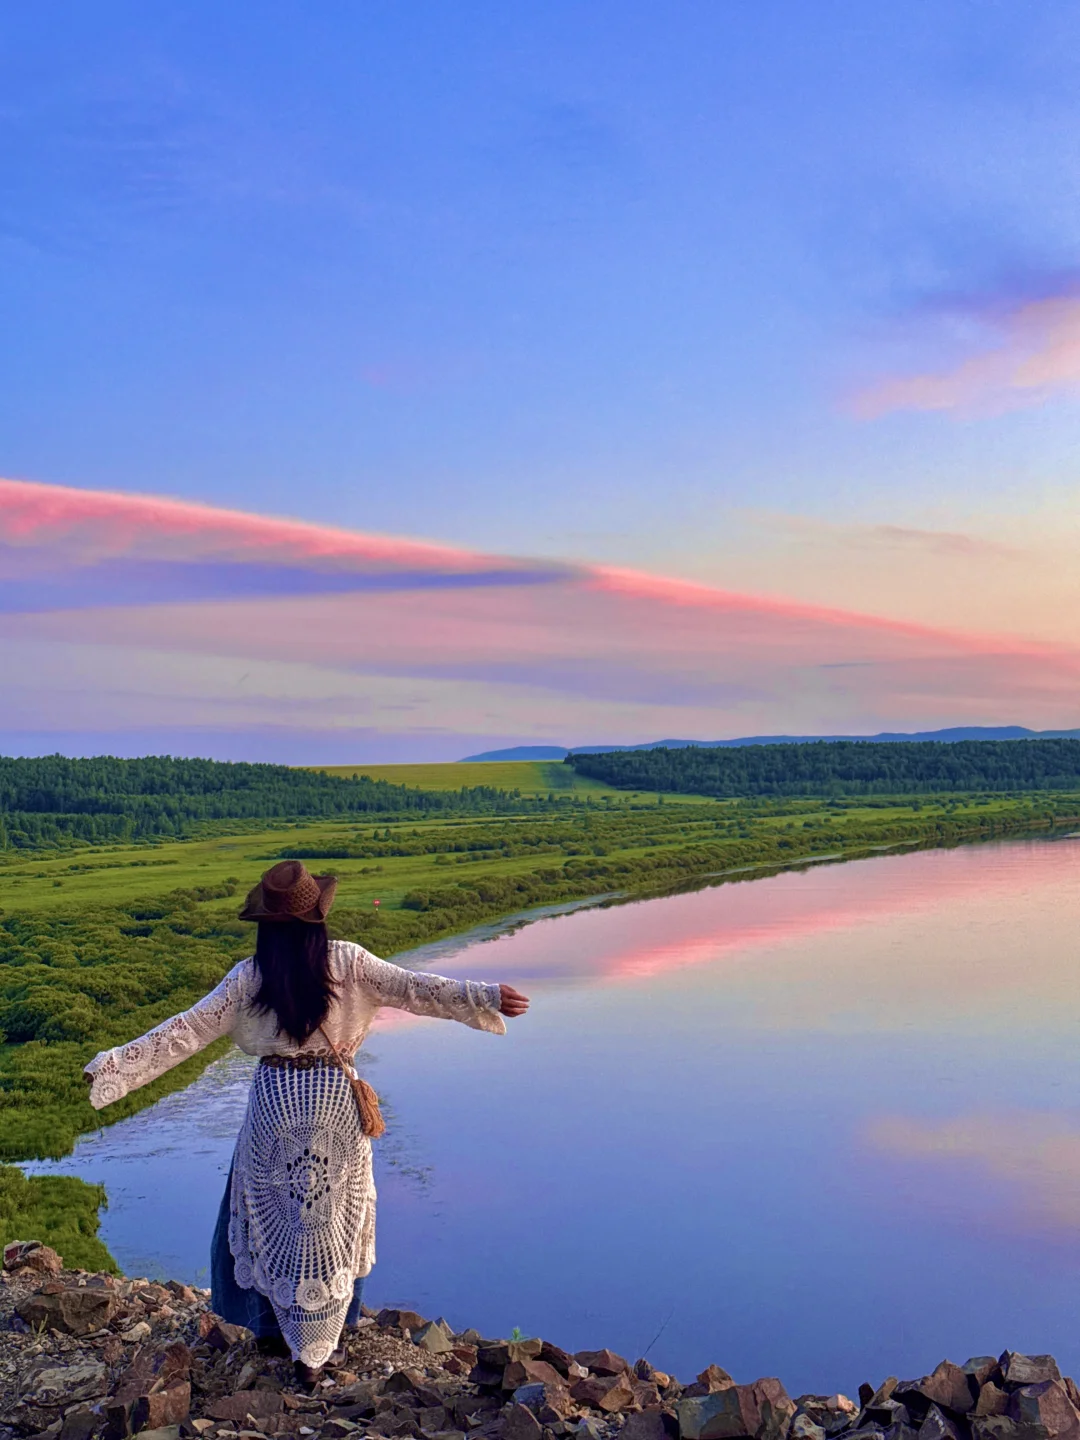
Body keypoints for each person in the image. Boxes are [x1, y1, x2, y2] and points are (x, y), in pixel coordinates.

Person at [84, 860, 529, 1387]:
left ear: (265, 925)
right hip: (337, 1105)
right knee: (334, 1215)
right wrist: (485, 996)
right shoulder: (349, 962)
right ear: (319, 918)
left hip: (274, 1105)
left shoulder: (249, 977)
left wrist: (113, 1066)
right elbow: (417, 989)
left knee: (270, 1213)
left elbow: (186, 1032)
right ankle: (329, 1337)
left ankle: (272, 1331)